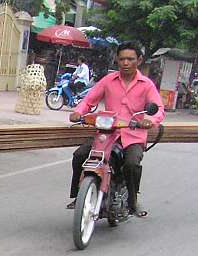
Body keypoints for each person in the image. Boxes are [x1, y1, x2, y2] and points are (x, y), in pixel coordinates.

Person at [66, 41, 165, 217]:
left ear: (139, 60)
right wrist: (78, 112)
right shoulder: (108, 81)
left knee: (132, 164)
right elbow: (89, 100)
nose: (126, 63)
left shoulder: (146, 84)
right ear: (117, 61)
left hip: (132, 136)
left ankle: (132, 202)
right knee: (80, 155)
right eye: (122, 59)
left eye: (130, 59)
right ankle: (78, 196)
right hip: (106, 134)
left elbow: (158, 108)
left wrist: (149, 120)